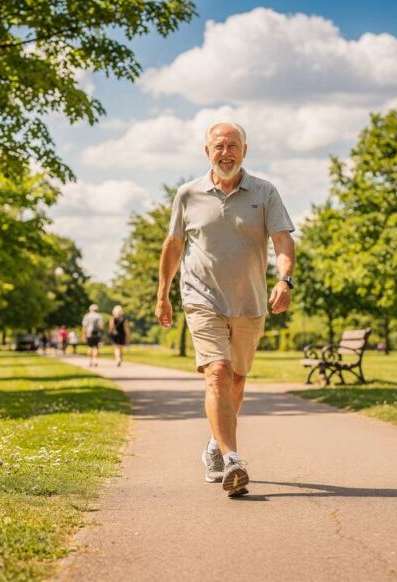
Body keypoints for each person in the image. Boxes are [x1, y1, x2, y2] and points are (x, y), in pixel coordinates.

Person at [156, 122, 295, 498]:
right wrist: (163, 293)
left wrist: (284, 280)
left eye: (233, 145)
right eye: (219, 146)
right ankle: (233, 459)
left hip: (249, 302)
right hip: (201, 298)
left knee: (236, 380)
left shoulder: (265, 193)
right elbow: (173, 245)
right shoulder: (187, 195)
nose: (226, 152)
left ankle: (215, 446)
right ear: (207, 152)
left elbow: (282, 240)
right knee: (217, 372)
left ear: (244, 152)